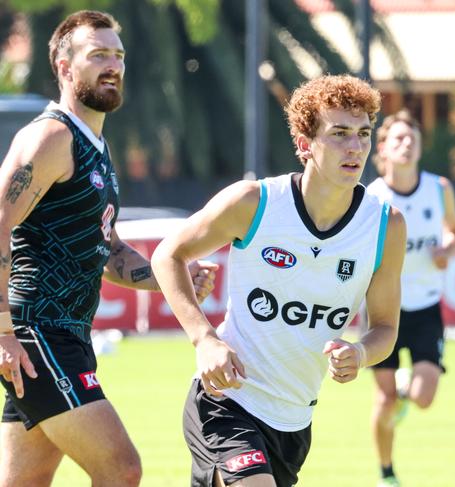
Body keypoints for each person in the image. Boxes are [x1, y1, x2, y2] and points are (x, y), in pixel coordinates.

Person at [151, 74, 407, 487]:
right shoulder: (255, 203)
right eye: (339, 133)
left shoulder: (384, 226)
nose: (355, 147)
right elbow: (168, 255)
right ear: (306, 145)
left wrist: (359, 355)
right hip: (225, 403)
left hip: (294, 424)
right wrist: (205, 339)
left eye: (363, 134)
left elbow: (385, 329)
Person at [0, 11, 216, 486]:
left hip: (66, 336)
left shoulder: (95, 146)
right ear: (64, 66)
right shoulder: (50, 137)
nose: (113, 65)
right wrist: (2, 331)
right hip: (37, 334)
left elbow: (110, 250)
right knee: (121, 468)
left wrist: (171, 278)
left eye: (117, 55)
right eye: (98, 55)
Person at [365, 109, 455, 487]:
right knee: (385, 401)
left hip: (425, 306)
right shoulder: (372, 196)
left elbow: (454, 231)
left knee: (422, 398)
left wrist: (448, 249)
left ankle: (407, 388)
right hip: (382, 309)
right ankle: (387, 473)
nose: (406, 145)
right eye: (398, 140)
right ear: (384, 150)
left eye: (412, 140)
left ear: (420, 148)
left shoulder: (439, 189)